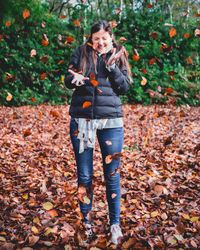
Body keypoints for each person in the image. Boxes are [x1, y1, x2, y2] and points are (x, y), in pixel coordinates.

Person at [64, 20, 132, 245]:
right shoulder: (81, 52)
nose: (100, 42)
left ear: (110, 38)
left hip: (111, 123)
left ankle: (115, 224)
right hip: (82, 122)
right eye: (96, 39)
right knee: (84, 176)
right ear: (90, 40)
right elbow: (68, 78)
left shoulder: (118, 55)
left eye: (104, 38)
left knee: (112, 175)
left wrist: (112, 67)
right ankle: (87, 223)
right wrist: (73, 80)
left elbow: (123, 87)